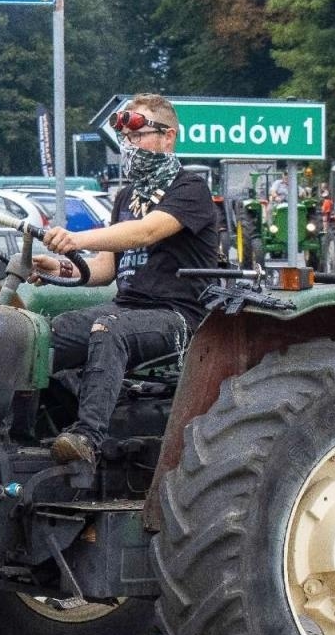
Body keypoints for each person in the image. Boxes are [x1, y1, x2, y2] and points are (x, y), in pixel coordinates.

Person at [29, 94, 220, 466]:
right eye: (127, 139)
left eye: (139, 135)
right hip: (126, 308)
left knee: (108, 328)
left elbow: (144, 233)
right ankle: (27, 427)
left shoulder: (189, 189)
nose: (130, 145)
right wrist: (61, 267)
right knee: (47, 334)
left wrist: (76, 238)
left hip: (177, 315)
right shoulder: (127, 196)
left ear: (168, 137)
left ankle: (87, 437)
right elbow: (105, 269)